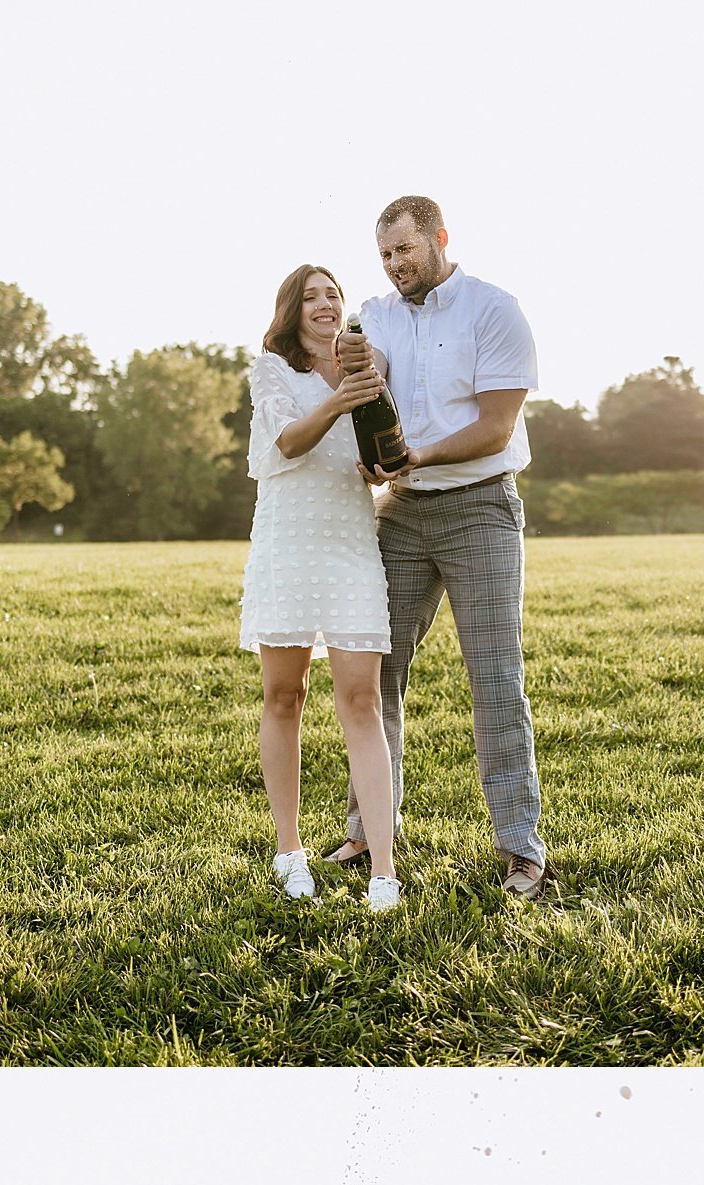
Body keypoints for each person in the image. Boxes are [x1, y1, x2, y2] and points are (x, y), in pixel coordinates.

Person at [322, 197, 547, 900]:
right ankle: (368, 832)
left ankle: (521, 849)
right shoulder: (379, 313)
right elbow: (370, 376)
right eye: (385, 255)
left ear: (440, 239)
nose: (395, 266)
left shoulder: (493, 310)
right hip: (404, 512)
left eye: (406, 251)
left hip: (480, 507)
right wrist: (353, 364)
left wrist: (413, 455)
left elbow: (495, 427)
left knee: (494, 678)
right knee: (373, 674)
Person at [240, 265, 402, 912]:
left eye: (333, 294)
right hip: (288, 542)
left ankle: (384, 870)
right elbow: (290, 440)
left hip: (349, 542)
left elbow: (379, 461)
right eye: (310, 297)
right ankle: (290, 851)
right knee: (285, 695)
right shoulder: (273, 371)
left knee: (361, 699)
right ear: (291, 310)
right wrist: (341, 398)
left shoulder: (371, 370)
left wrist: (384, 462)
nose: (324, 304)